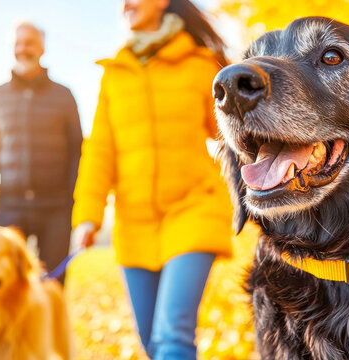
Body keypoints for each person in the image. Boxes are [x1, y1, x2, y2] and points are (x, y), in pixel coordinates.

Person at [71, 0, 233, 358]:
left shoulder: (200, 64)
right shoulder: (114, 74)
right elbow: (100, 151)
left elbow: (232, 131)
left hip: (194, 208)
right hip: (135, 222)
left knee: (173, 334)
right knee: (150, 341)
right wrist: (88, 214)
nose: (125, 4)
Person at [0, 21, 83, 285]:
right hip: (11, 206)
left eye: (28, 43)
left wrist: (77, 198)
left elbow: (77, 151)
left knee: (52, 286)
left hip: (56, 208)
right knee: (5, 284)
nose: (22, 49)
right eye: (17, 43)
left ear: (42, 48)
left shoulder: (64, 96)